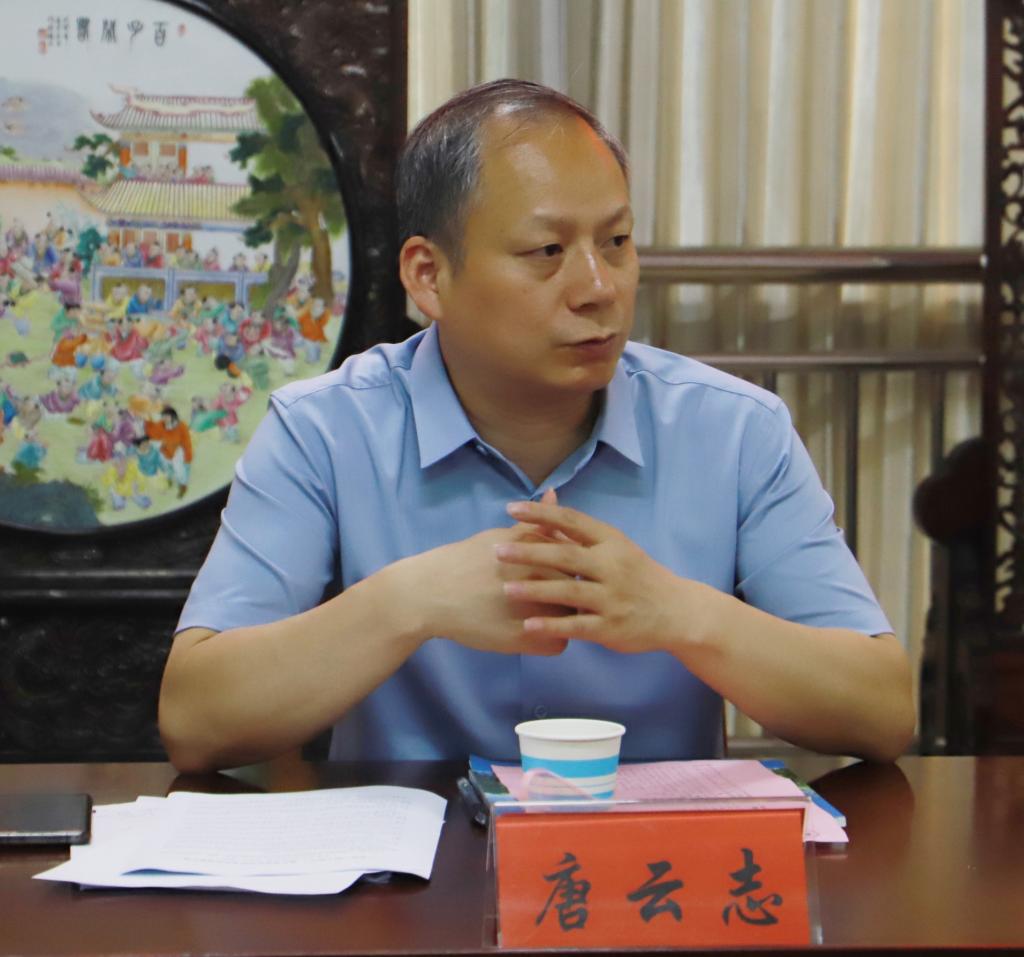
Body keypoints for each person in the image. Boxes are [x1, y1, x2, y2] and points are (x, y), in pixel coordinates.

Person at [160, 79, 914, 773]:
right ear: (429, 276)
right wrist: (409, 602)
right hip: (419, 870)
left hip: (651, 865)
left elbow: (882, 711)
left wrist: (677, 611)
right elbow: (196, 720)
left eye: (616, 242)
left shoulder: (733, 430)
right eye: (547, 251)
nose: (598, 287)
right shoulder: (325, 431)